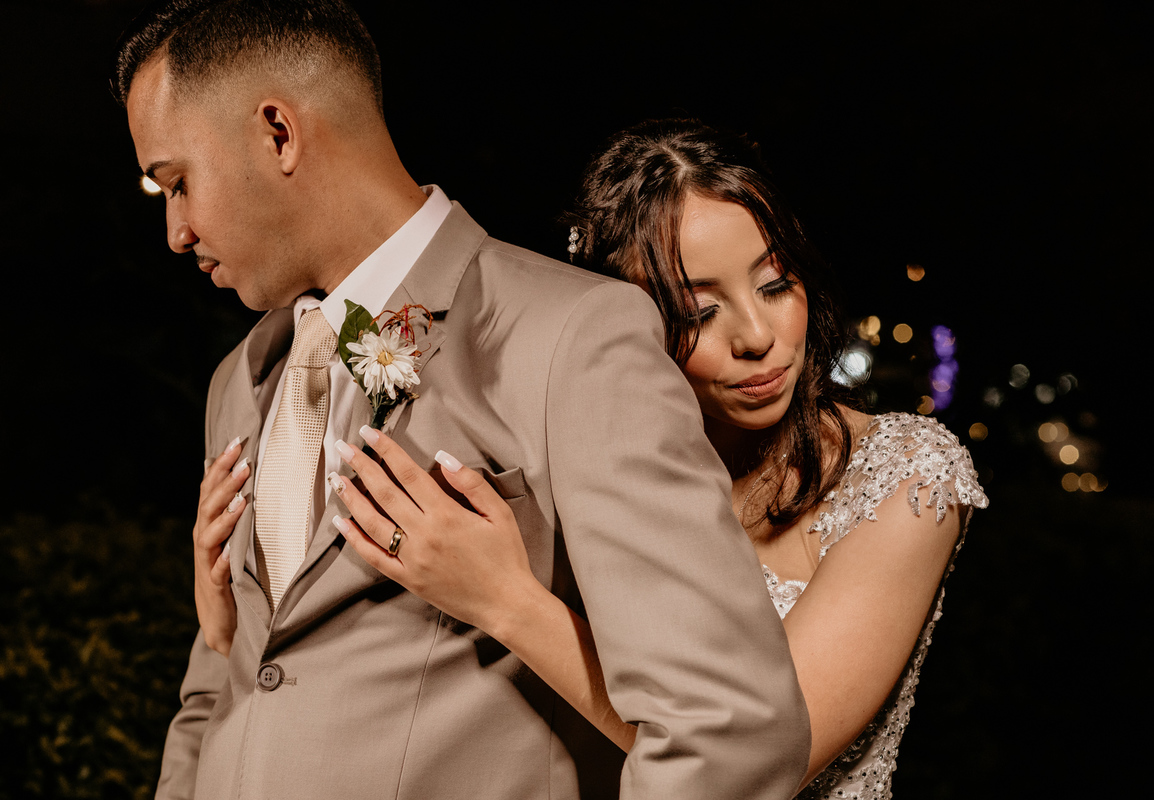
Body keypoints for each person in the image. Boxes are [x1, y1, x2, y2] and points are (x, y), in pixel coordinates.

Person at [114, 3, 808, 799]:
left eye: (178, 183)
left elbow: (728, 727)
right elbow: (225, 689)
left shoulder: (569, 336)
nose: (176, 231)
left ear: (279, 133)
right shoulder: (240, 379)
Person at [322, 119, 990, 798]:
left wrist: (506, 601)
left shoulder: (907, 474)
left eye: (774, 285)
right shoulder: (586, 465)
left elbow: (767, 756)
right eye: (698, 312)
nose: (757, 336)